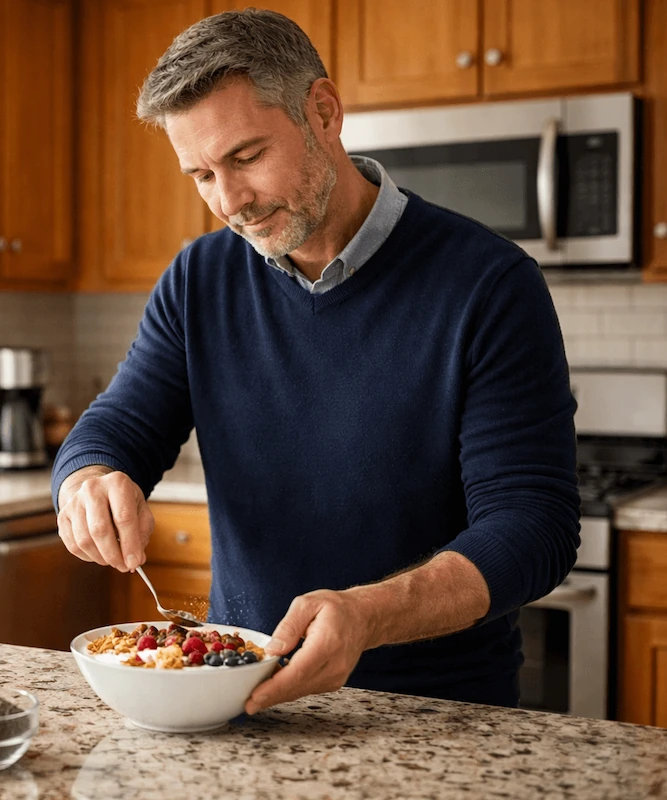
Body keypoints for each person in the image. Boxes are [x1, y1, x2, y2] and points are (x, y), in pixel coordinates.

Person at [51, 9, 580, 714]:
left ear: (323, 112)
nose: (229, 202)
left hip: (434, 715)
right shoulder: (198, 278)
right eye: (201, 175)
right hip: (237, 698)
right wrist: (86, 480)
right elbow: (120, 424)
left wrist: (368, 614)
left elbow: (533, 522)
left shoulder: (488, 284)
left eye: (244, 158)